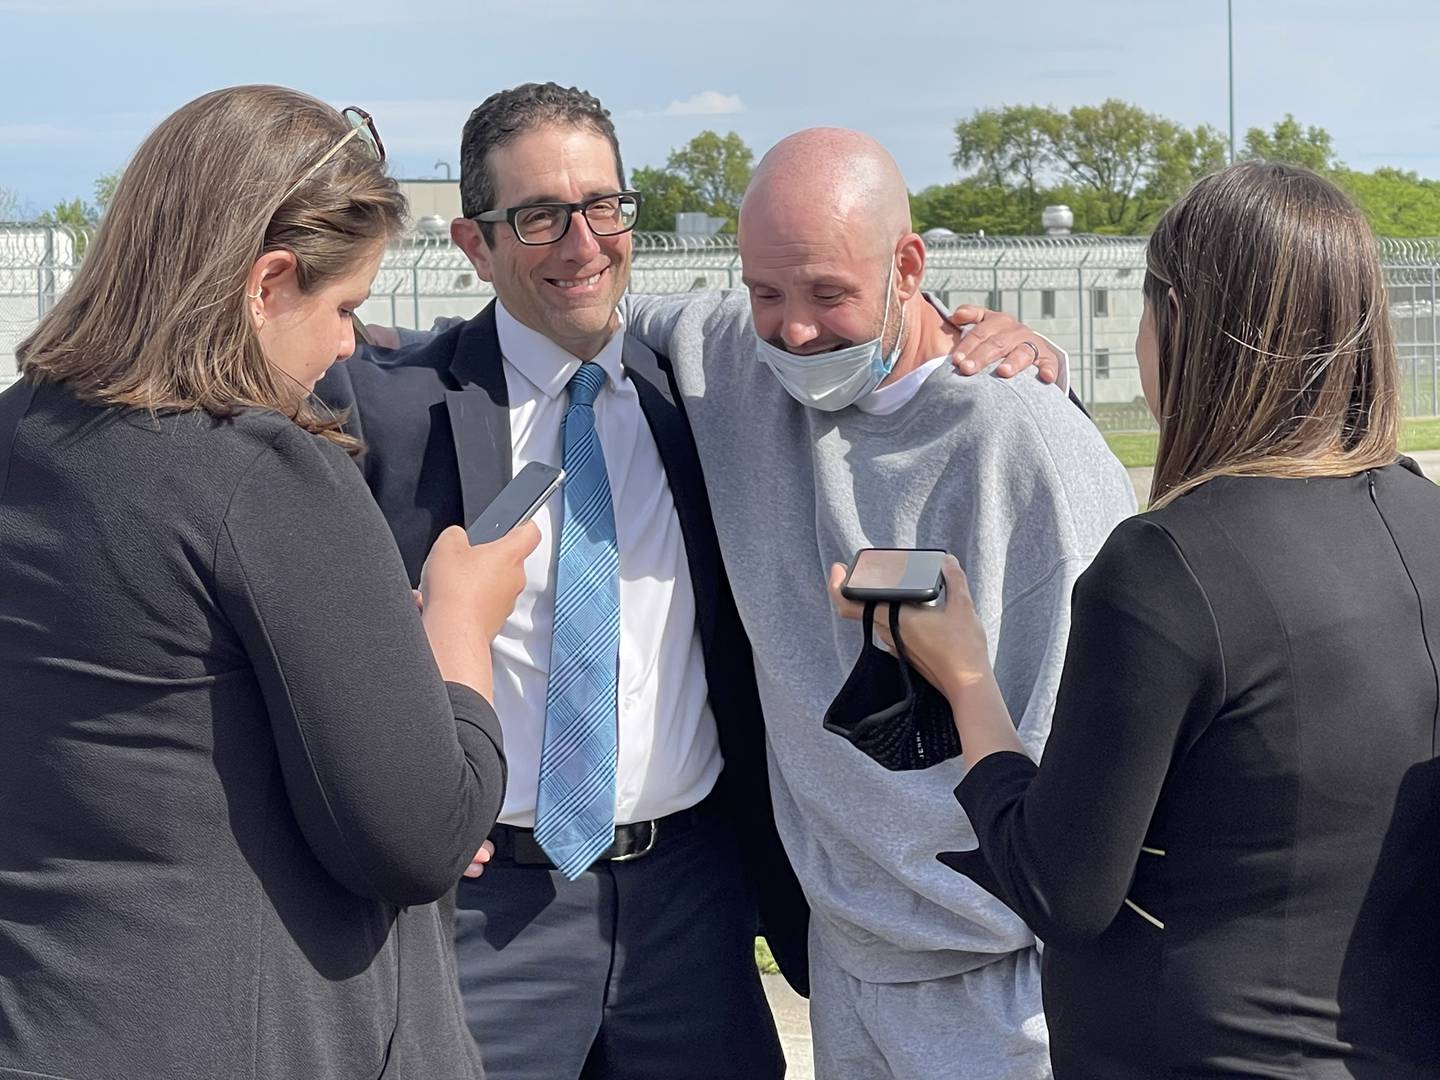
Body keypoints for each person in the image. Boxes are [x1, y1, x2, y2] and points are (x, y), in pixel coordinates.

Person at [835, 161, 1440, 1078]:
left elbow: (1062, 884)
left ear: (1183, 324)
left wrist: (964, 679)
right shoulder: (1420, 516)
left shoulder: (1165, 565)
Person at [0, 85, 533, 1080]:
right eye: (344, 308)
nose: (346, 346)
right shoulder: (262, 477)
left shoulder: (21, 437)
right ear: (267, 282)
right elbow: (421, 838)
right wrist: (460, 629)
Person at [618, 128, 1136, 1080]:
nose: (794, 330)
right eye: (765, 291)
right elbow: (573, 306)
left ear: (908, 267)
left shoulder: (1024, 443)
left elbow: (1108, 745)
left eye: (828, 294)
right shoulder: (732, 355)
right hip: (846, 967)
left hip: (1008, 988)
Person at [315, 82, 804, 1080]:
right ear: (473, 244)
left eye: (603, 207)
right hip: (486, 916)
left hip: (693, 908)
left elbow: (864, 330)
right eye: (538, 216)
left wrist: (979, 338)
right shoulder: (392, 405)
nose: (583, 244)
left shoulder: (704, 400)